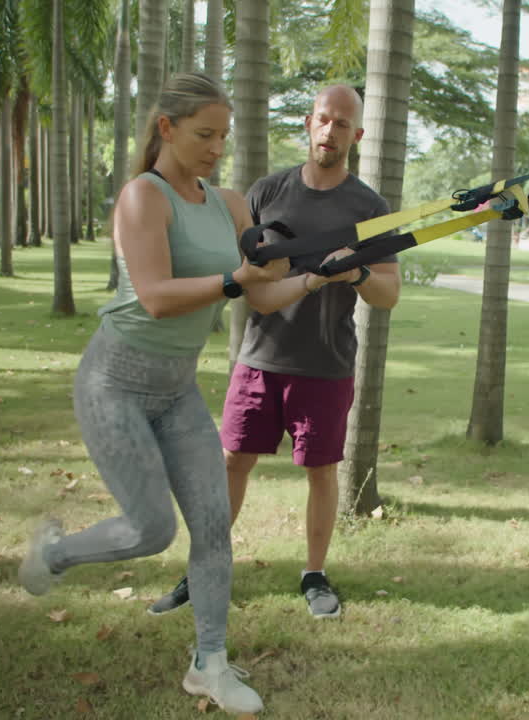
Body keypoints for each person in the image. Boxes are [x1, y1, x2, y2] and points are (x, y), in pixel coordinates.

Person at [16, 72, 289, 715]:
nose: (217, 147)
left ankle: (210, 664)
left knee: (214, 526)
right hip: (114, 385)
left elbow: (262, 292)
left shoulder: (230, 204)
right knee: (150, 528)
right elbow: (157, 297)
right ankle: (54, 554)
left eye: (224, 135)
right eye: (203, 134)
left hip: (175, 392)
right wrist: (236, 277)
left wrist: (317, 280)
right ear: (166, 128)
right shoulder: (144, 197)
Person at [149, 84, 401, 620]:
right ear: (309, 123)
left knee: (321, 471)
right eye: (323, 120)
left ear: (356, 135)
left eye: (342, 124)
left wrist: (354, 272)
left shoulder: (370, 207)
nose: (330, 132)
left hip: (326, 364)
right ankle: (203, 567)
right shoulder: (266, 192)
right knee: (232, 463)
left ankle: (314, 575)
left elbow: (389, 293)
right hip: (259, 359)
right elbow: (241, 267)